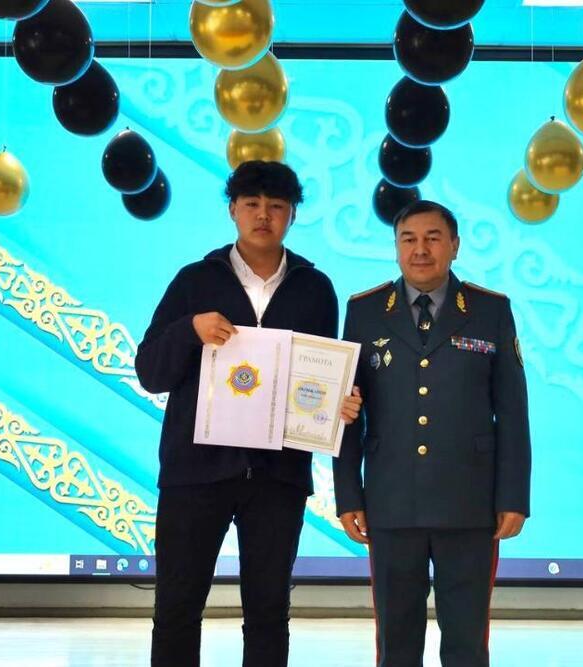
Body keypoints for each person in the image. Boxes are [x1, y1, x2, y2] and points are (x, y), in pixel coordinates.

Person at [135, 160, 361, 667]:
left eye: (277, 206)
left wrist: (340, 404)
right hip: (195, 473)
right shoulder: (194, 281)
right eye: (252, 204)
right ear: (232, 210)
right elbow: (149, 371)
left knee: (268, 613)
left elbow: (320, 378)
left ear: (293, 214)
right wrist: (189, 330)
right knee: (176, 608)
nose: (264, 215)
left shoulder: (314, 287)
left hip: (278, 478)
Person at [334, 199, 531, 667]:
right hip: (390, 501)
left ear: (455, 246)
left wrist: (513, 497)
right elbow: (346, 410)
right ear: (396, 247)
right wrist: (347, 495)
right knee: (396, 641)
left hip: (469, 502)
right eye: (409, 239)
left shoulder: (490, 310)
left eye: (433, 238)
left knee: (466, 641)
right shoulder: (364, 311)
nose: (420, 250)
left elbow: (513, 412)